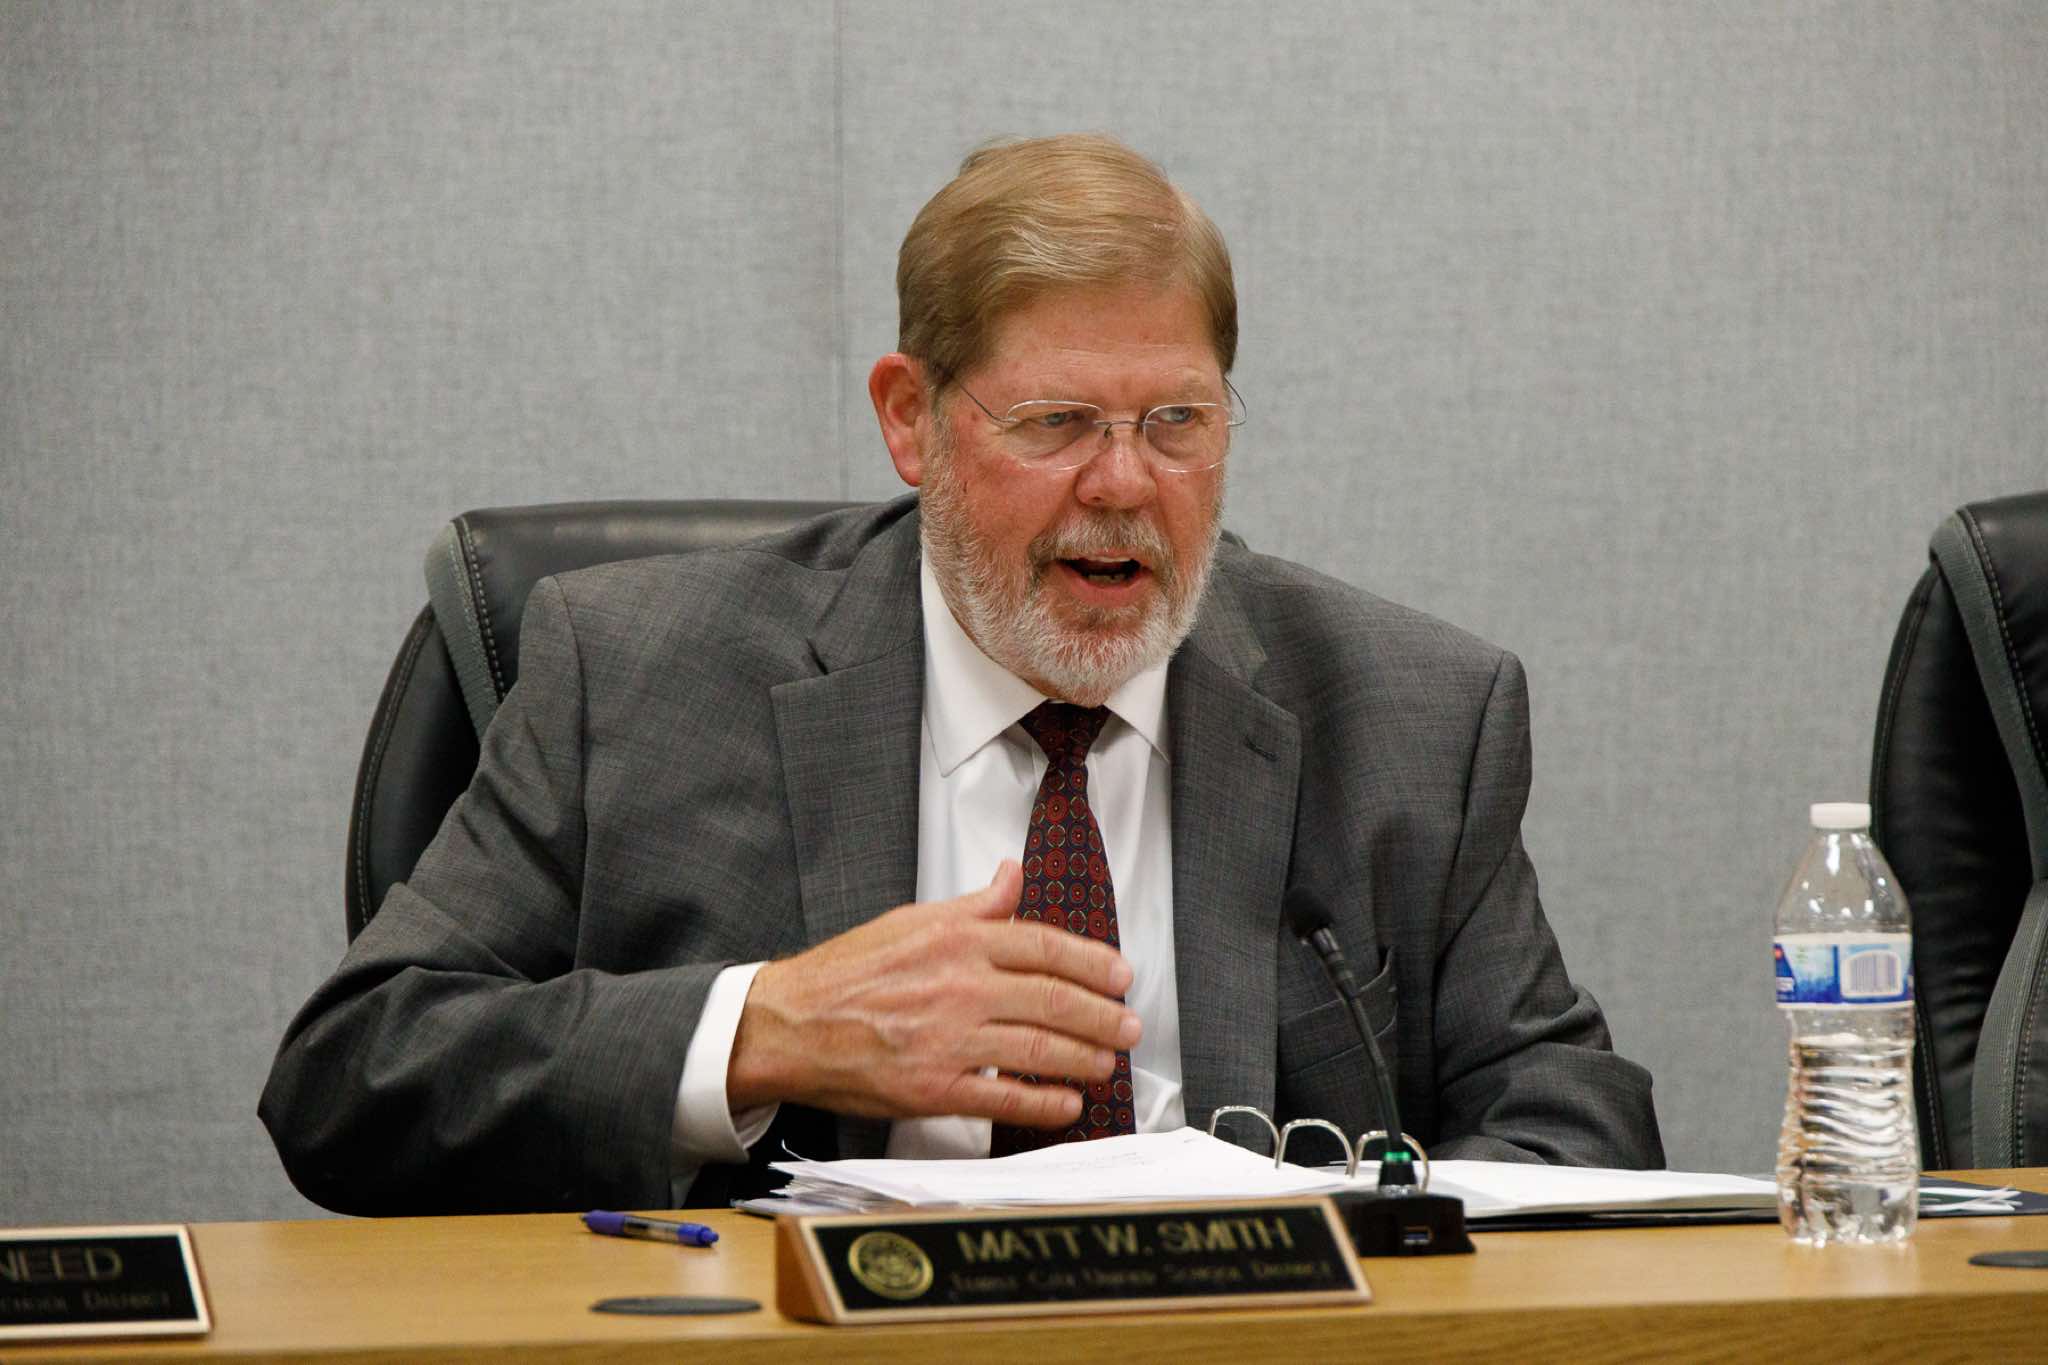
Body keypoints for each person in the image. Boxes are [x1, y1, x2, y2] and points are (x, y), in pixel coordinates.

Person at [261, 134, 1662, 1215]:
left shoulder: (1410, 713)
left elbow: (1577, 1125)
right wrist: (762, 1030)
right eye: (1057, 422)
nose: (1124, 484)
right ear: (911, 420)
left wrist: (1358, 1238)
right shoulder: (636, 677)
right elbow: (351, 1075)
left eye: (1177, 422)